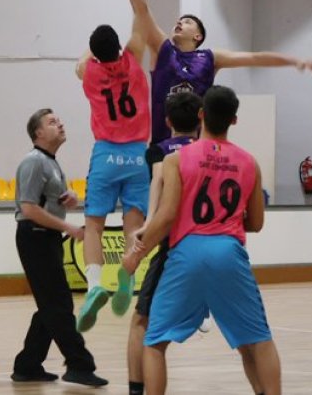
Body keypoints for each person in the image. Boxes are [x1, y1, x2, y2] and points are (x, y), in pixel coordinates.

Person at [128, 86, 280, 395]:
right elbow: (256, 223)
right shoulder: (249, 162)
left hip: (187, 252)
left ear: (201, 115)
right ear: (233, 120)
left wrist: (137, 254)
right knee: (258, 340)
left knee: (155, 342)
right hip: (228, 252)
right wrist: (226, 220)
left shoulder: (176, 160)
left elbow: (166, 216)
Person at [108, 0, 312, 143]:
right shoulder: (162, 50)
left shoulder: (210, 58)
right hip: (162, 146)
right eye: (179, 21)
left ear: (198, 36)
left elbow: (255, 58)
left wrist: (295, 61)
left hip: (197, 149)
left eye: (187, 22)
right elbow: (141, 10)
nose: (179, 23)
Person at [12, 108, 107, 387]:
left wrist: (68, 197)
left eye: (59, 121)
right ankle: (80, 364)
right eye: (52, 122)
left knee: (51, 304)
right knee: (58, 304)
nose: (60, 125)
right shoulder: (33, 161)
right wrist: (69, 227)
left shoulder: (51, 162)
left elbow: (46, 200)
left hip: (47, 238)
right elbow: (28, 208)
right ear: (38, 133)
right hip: (34, 236)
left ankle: (27, 365)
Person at [121, 91, 201, 395]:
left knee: (142, 322)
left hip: (175, 246)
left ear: (167, 121)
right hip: (218, 244)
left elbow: (158, 180)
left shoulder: (161, 153)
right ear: (201, 119)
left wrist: (148, 224)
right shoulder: (209, 151)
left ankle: (136, 389)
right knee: (251, 337)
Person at [74, 22, 151, 330]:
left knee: (94, 225)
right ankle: (127, 275)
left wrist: (92, 49)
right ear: (119, 46)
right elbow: (140, 25)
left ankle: (94, 285)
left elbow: (80, 64)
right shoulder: (133, 61)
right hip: (137, 155)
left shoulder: (90, 73)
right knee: (133, 225)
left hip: (106, 154)